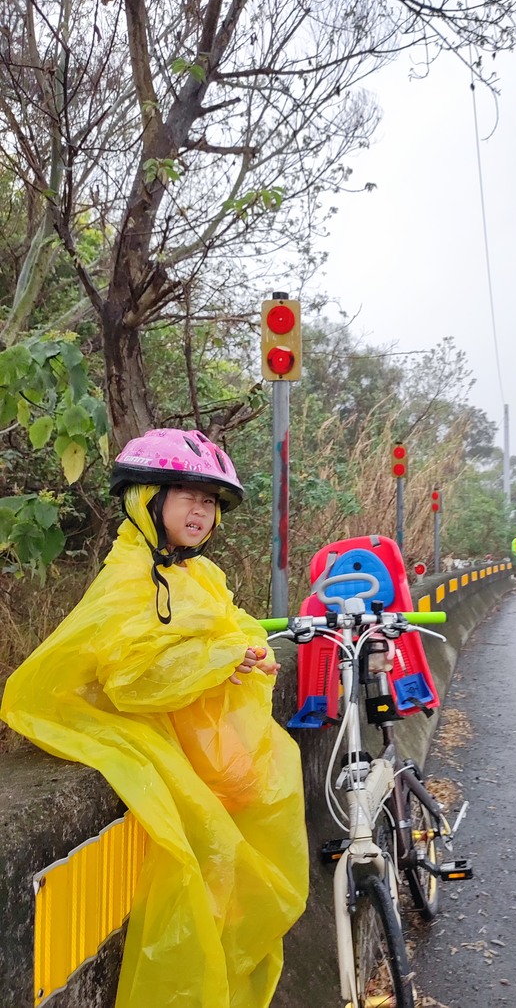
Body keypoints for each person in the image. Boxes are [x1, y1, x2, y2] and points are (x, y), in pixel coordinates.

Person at [0, 428, 308, 1008]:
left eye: (211, 501)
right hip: (165, 750)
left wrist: (244, 651)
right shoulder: (128, 575)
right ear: (147, 498)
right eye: (187, 494)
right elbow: (131, 676)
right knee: (194, 893)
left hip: (215, 765)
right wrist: (216, 658)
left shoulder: (200, 574)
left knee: (231, 891)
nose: (201, 510)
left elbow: (232, 625)